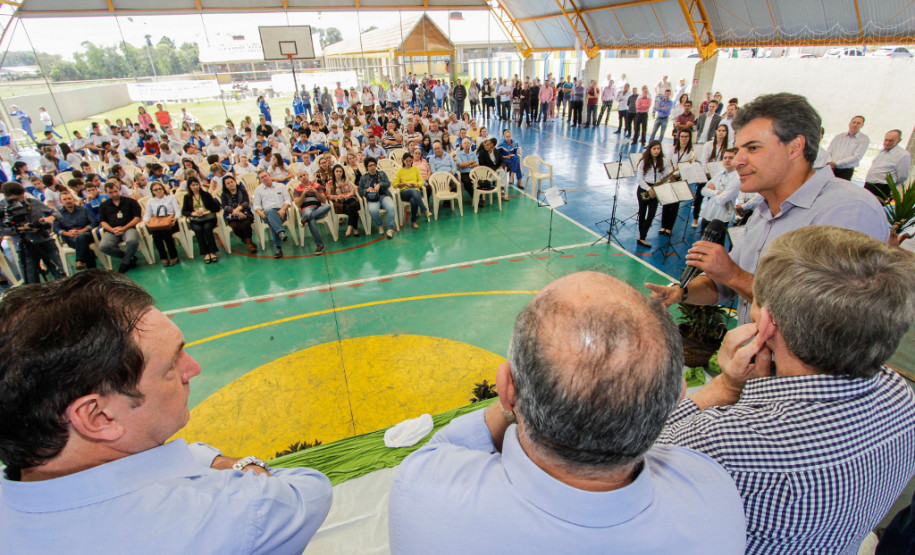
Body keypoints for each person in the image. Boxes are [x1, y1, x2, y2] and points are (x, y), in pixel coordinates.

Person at [389, 271, 745, 554]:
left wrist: (512, 404)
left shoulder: (425, 491)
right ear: (674, 400)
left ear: (508, 391)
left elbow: (439, 451)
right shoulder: (714, 499)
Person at [0, 271, 333, 552]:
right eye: (171, 364)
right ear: (98, 417)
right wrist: (238, 465)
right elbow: (307, 490)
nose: (193, 369)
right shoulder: (225, 513)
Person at [657, 226, 915, 554]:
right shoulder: (900, 394)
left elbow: (631, 462)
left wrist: (725, 387)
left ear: (765, 325)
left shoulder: (724, 441)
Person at [646, 93, 888, 325]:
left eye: (752, 148)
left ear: (794, 147)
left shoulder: (847, 210)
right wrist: (683, 292)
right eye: (738, 149)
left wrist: (731, 274)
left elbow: (824, 317)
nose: (738, 160)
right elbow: (725, 286)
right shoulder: (764, 210)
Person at [0, 181, 65, 283]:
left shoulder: (33, 202)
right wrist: (20, 229)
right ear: (7, 197)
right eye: (17, 199)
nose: (21, 201)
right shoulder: (2, 209)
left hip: (44, 241)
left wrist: (50, 218)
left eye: (22, 197)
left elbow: (56, 213)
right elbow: (2, 230)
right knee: (31, 281)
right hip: (24, 246)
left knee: (60, 275)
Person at [98, 181, 143, 273]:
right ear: (106, 193)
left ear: (119, 190)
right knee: (103, 247)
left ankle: (125, 262)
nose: (114, 194)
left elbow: (137, 218)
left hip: (128, 228)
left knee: (132, 241)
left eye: (115, 191)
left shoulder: (130, 202)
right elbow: (103, 222)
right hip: (112, 230)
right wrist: (112, 230)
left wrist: (124, 228)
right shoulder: (104, 205)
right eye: (111, 192)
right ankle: (128, 257)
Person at [635, 140, 672, 248]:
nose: (656, 151)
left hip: (656, 188)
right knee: (642, 212)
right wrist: (649, 188)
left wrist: (658, 188)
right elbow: (640, 179)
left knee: (651, 214)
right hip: (644, 188)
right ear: (650, 149)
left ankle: (642, 236)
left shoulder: (664, 161)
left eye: (658, 149)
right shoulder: (643, 162)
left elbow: (666, 176)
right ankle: (642, 236)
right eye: (654, 149)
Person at [697, 148, 740, 235]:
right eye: (725, 158)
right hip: (708, 213)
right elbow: (703, 191)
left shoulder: (737, 179)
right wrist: (717, 192)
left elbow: (722, 200)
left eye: (731, 158)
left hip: (720, 217)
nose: (727, 160)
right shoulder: (719, 174)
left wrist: (713, 191)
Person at [252, 169, 292, 258]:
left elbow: (288, 200)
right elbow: (256, 205)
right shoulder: (258, 190)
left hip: (281, 212)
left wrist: (283, 209)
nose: (265, 178)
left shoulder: (281, 186)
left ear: (269, 176)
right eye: (262, 178)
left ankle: (278, 247)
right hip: (266, 213)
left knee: (272, 219)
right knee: (270, 212)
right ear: (260, 180)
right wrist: (260, 212)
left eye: (265, 176)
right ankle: (281, 232)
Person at [55, 190, 97, 270]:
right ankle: (93, 269)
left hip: (86, 235)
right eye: (65, 199)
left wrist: (82, 231)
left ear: (73, 199)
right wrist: (68, 234)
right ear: (61, 201)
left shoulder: (83, 209)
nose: (68, 201)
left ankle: (79, 260)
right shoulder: (58, 214)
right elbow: (56, 228)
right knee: (84, 247)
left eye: (69, 198)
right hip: (70, 238)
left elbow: (94, 222)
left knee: (81, 237)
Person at [182, 177, 221, 264]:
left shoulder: (206, 195)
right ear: (189, 186)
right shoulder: (187, 197)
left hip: (208, 218)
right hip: (196, 220)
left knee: (207, 228)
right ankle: (205, 252)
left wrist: (206, 212)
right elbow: (184, 211)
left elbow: (216, 207)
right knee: (198, 230)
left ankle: (212, 251)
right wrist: (193, 213)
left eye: (197, 184)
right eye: (193, 185)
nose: (195, 187)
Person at [864, 129, 909, 201]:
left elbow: (903, 176)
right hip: (869, 184)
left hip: (882, 188)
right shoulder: (883, 150)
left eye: (891, 141)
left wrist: (890, 185)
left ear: (898, 141)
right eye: (886, 140)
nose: (887, 143)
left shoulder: (902, 155)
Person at [292, 169, 331, 253]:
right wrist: (303, 194)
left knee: (328, 206)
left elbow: (324, 200)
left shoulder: (317, 186)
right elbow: (298, 204)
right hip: (306, 209)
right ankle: (319, 245)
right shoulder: (296, 189)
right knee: (311, 220)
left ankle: (305, 219)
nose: (303, 177)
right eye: (300, 176)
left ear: (308, 175)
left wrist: (315, 191)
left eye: (304, 175)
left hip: (318, 208)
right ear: (298, 179)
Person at [143, 181, 181, 267]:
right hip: (158, 222)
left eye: (160, 189)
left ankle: (173, 255)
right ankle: (163, 256)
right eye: (155, 190)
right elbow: (147, 214)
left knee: (166, 233)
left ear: (163, 189)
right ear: (152, 191)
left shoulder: (170, 198)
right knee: (156, 235)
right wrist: (146, 220)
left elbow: (178, 211)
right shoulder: (150, 201)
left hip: (170, 221)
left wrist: (175, 218)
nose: (158, 191)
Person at [359, 157, 397, 239]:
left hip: (384, 196)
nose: (372, 167)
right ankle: (380, 225)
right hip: (372, 199)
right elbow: (360, 191)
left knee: (391, 206)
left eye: (373, 165)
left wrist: (380, 184)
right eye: (370, 165)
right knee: (373, 210)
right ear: (367, 167)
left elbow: (388, 183)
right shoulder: (363, 178)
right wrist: (367, 190)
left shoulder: (382, 174)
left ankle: (390, 228)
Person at [218, 175, 257, 253]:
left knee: (245, 224)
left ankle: (248, 241)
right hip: (231, 214)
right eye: (228, 183)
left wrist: (238, 209)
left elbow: (246, 202)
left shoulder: (242, 190)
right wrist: (234, 212)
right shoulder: (224, 194)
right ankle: (248, 242)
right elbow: (224, 206)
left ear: (235, 182)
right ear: (225, 186)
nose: (231, 184)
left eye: (232, 182)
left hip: (244, 212)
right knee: (235, 226)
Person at [392, 152, 430, 230]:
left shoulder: (415, 169)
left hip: (415, 190)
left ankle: (413, 221)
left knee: (414, 200)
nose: (409, 163)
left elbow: (421, 181)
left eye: (410, 161)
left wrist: (416, 185)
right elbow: (394, 184)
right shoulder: (400, 171)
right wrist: (405, 184)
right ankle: (425, 210)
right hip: (404, 192)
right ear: (403, 161)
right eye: (407, 161)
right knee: (413, 192)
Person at [826, 115, 869, 181]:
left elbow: (857, 157)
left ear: (862, 125)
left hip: (845, 171)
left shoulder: (864, 139)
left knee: (840, 190)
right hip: (830, 168)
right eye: (854, 122)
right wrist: (829, 162)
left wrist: (836, 163)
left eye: (858, 123)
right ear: (850, 123)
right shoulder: (839, 137)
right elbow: (829, 151)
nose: (855, 125)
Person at [327, 164, 361, 239]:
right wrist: (337, 197)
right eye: (337, 171)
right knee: (354, 210)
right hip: (341, 203)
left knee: (354, 204)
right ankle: (355, 229)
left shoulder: (346, 180)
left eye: (340, 171)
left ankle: (349, 228)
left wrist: (345, 196)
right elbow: (328, 195)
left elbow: (352, 190)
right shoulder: (330, 183)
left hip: (349, 198)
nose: (339, 173)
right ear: (334, 172)